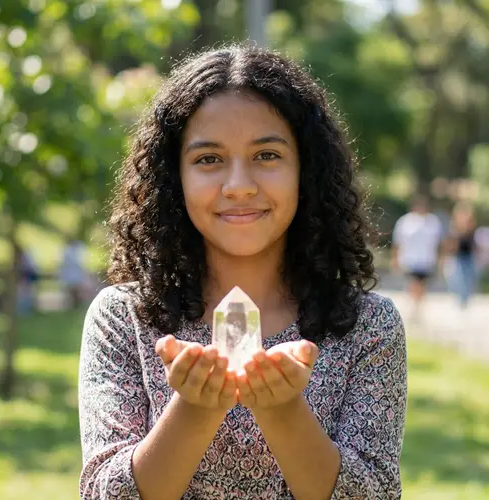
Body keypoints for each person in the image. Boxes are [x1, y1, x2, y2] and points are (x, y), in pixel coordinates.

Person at [78, 45, 407, 500]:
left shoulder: (368, 325)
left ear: (305, 171)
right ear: (174, 177)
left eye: (267, 155)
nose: (239, 186)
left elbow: (375, 495)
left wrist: (284, 410)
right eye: (209, 159)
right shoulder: (123, 318)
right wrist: (193, 409)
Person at [391, 195, 444, 319]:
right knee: (414, 283)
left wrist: (441, 260)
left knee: (422, 285)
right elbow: (398, 242)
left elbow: (439, 243)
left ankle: (418, 307)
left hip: (426, 260)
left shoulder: (433, 222)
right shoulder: (405, 221)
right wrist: (395, 259)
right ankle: (415, 307)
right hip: (410, 259)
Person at [443, 202, 479, 308]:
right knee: (456, 278)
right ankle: (459, 298)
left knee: (468, 279)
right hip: (457, 257)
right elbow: (451, 244)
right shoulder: (454, 227)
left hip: (468, 256)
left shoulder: (471, 227)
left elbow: (473, 243)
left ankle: (464, 300)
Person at [59, 237, 88, 309]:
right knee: (72, 291)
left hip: (75, 274)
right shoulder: (67, 252)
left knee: (76, 290)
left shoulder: (74, 251)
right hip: (71, 274)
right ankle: (73, 304)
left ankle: (77, 304)